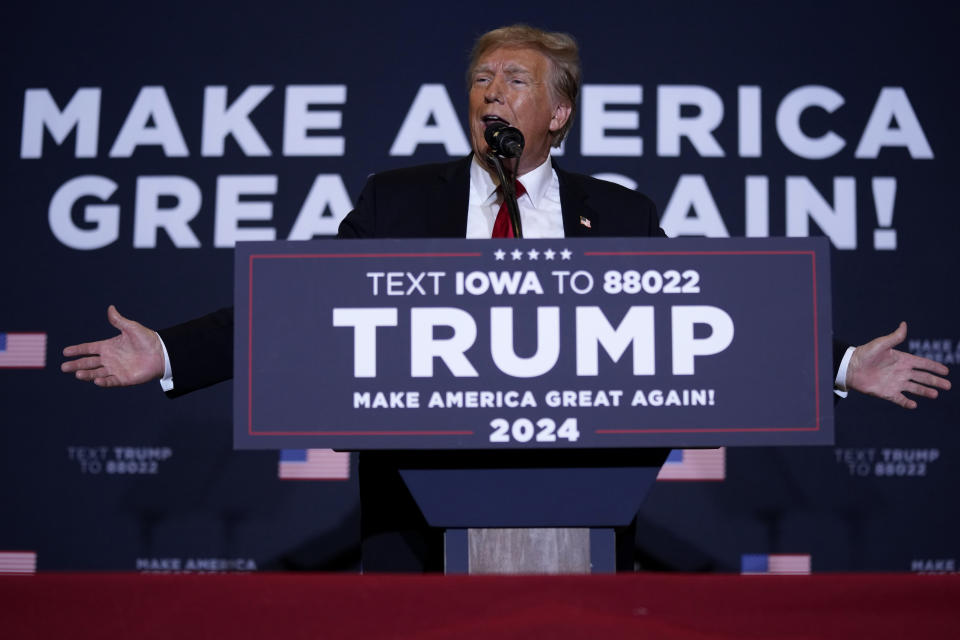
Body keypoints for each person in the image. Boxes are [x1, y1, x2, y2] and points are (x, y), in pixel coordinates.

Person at [62, 25, 950, 570]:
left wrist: (836, 365)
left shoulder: (622, 213)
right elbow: (299, 317)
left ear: (559, 112)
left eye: (514, 80)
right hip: (417, 498)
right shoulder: (397, 200)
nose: (491, 91)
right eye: (482, 80)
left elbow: (701, 328)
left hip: (582, 491)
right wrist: (173, 352)